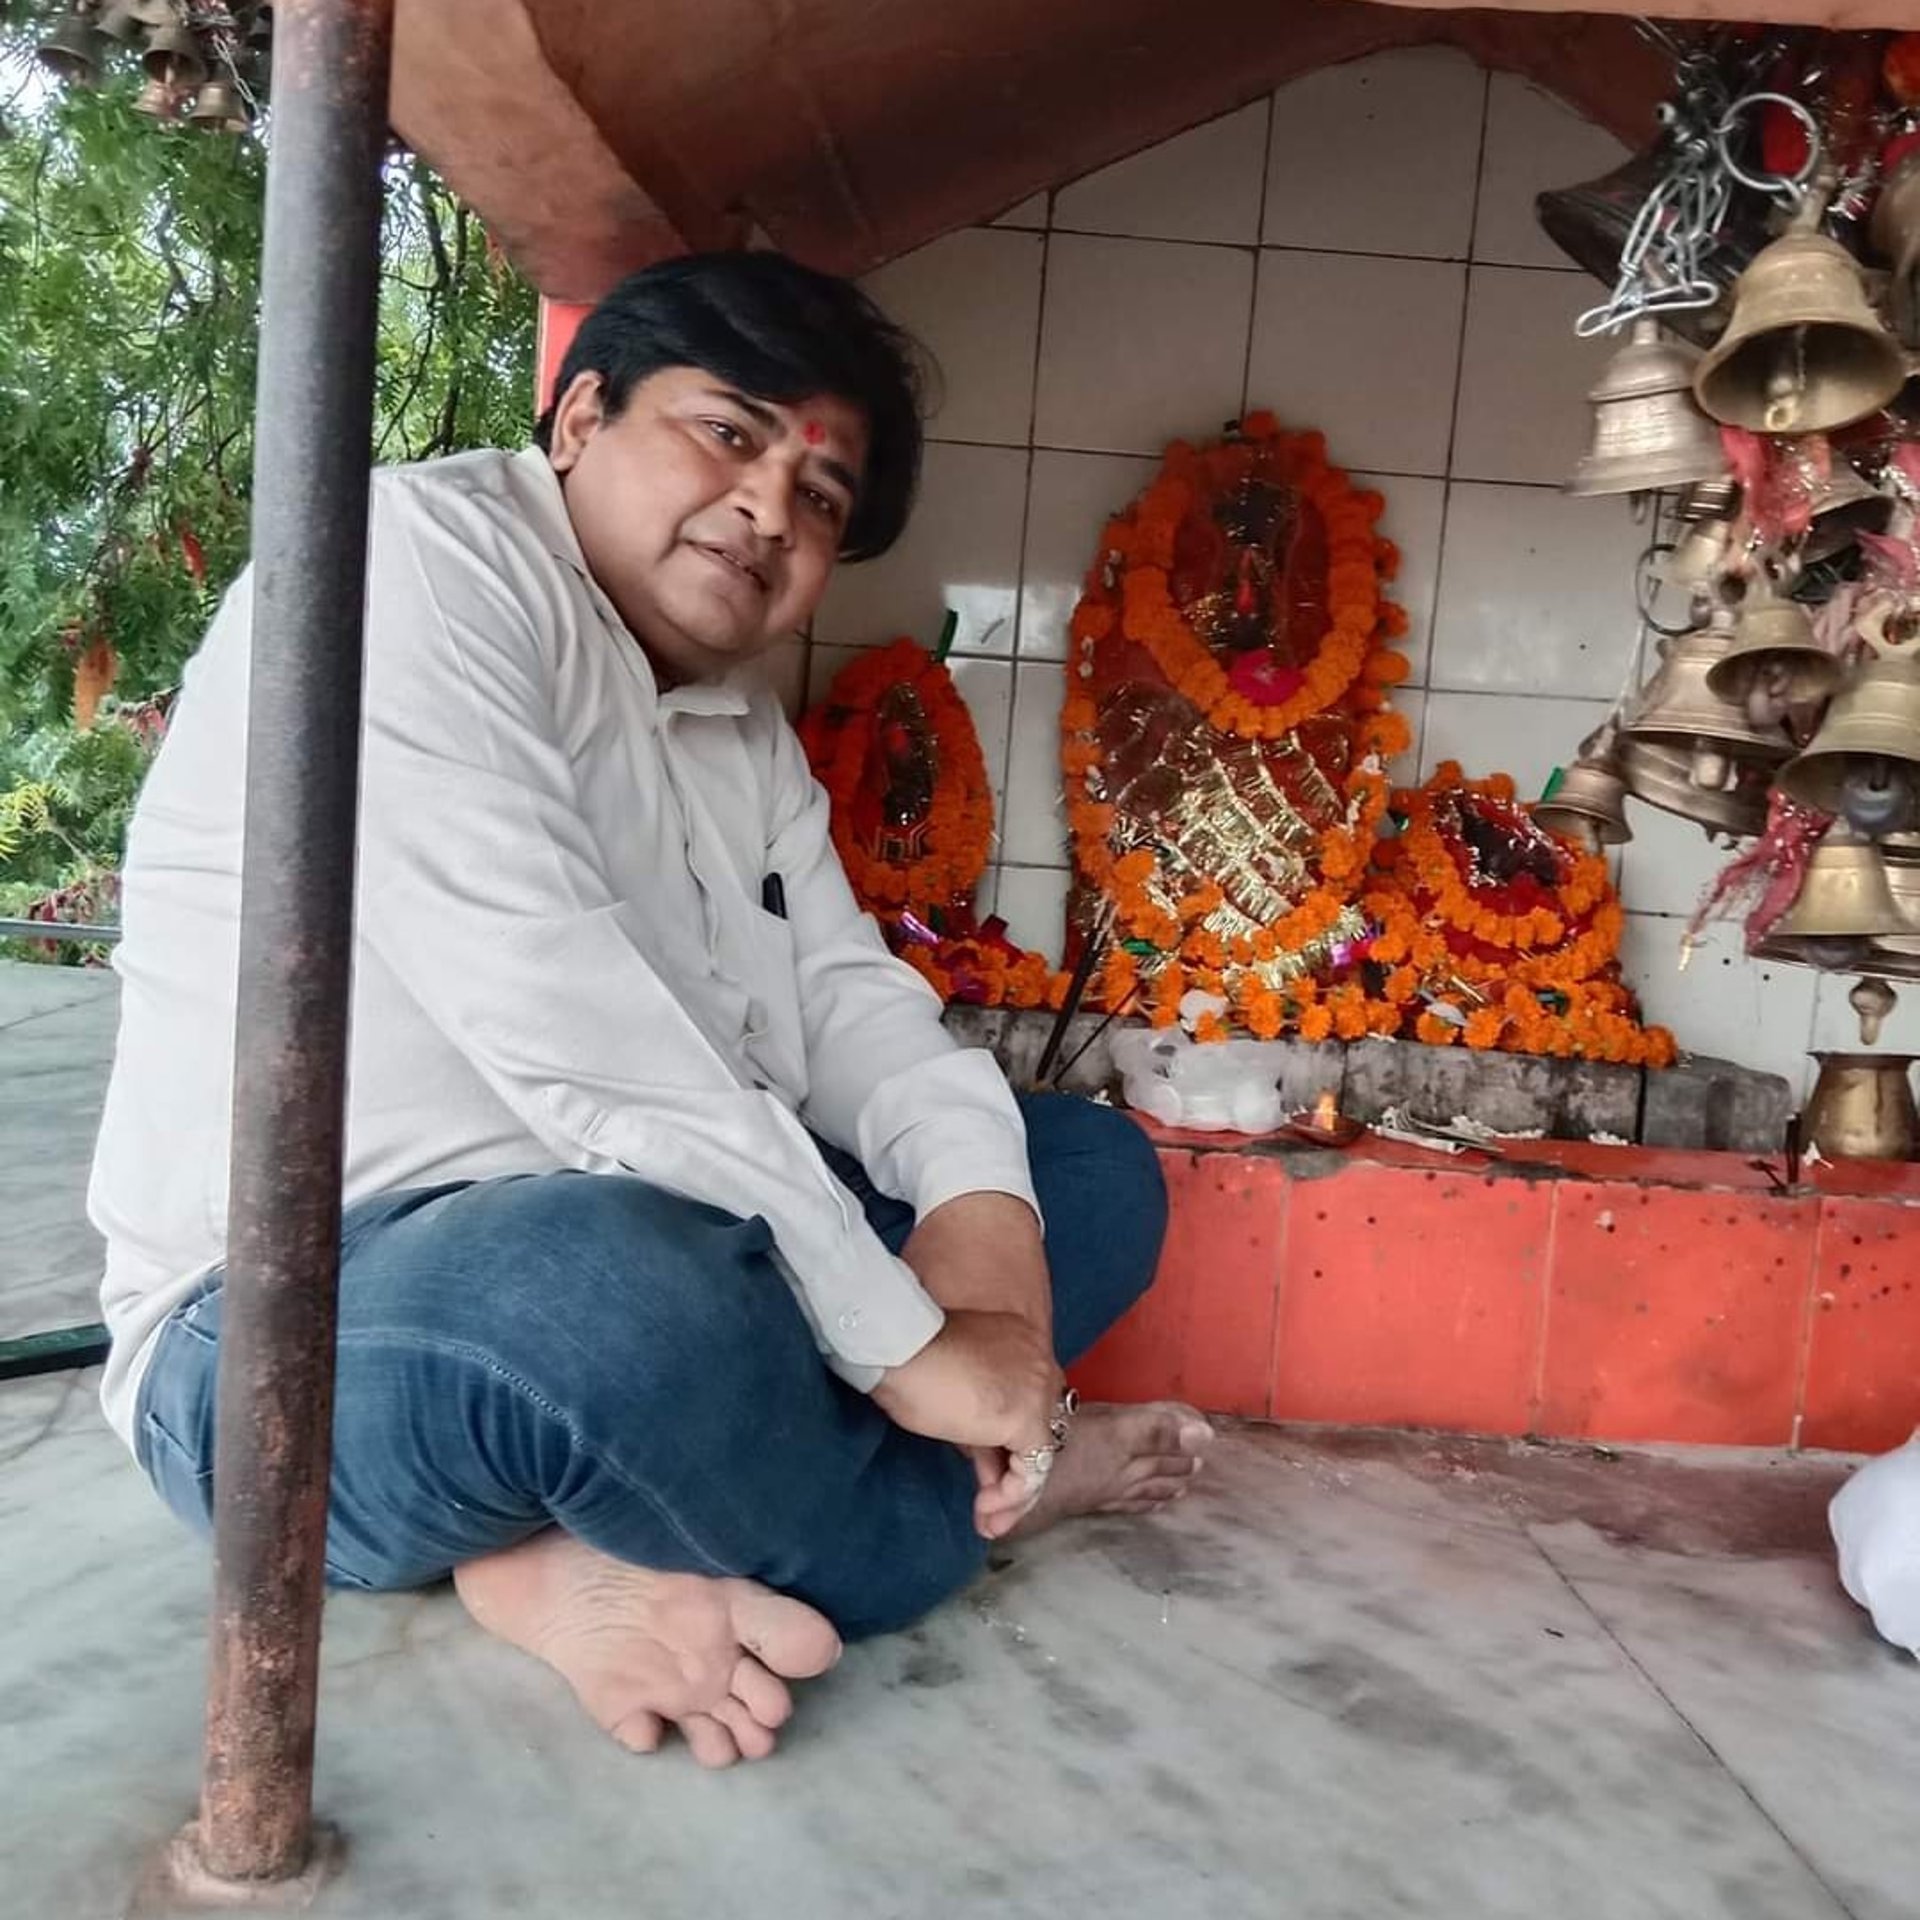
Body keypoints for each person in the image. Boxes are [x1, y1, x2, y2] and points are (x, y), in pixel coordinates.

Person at [91, 250, 1212, 1770]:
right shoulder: (413, 564)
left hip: (665, 1230)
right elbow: (577, 1035)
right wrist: (906, 1348)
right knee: (618, 1300)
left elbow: (844, 1000)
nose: (768, 510)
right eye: (732, 433)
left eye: (819, 499)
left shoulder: (737, 729)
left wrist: (986, 1255)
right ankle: (888, 1515)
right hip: (307, 1324)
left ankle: (621, 1521)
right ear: (580, 418)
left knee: (1080, 1166)